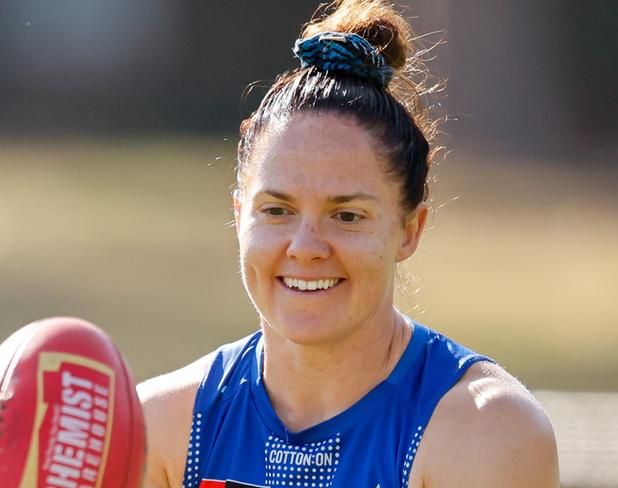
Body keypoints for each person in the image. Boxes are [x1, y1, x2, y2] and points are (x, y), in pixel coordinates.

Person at [138, 1, 559, 486]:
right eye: (277, 210)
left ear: (409, 230)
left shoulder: (485, 431)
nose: (306, 246)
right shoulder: (164, 428)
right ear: (239, 217)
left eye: (347, 215)